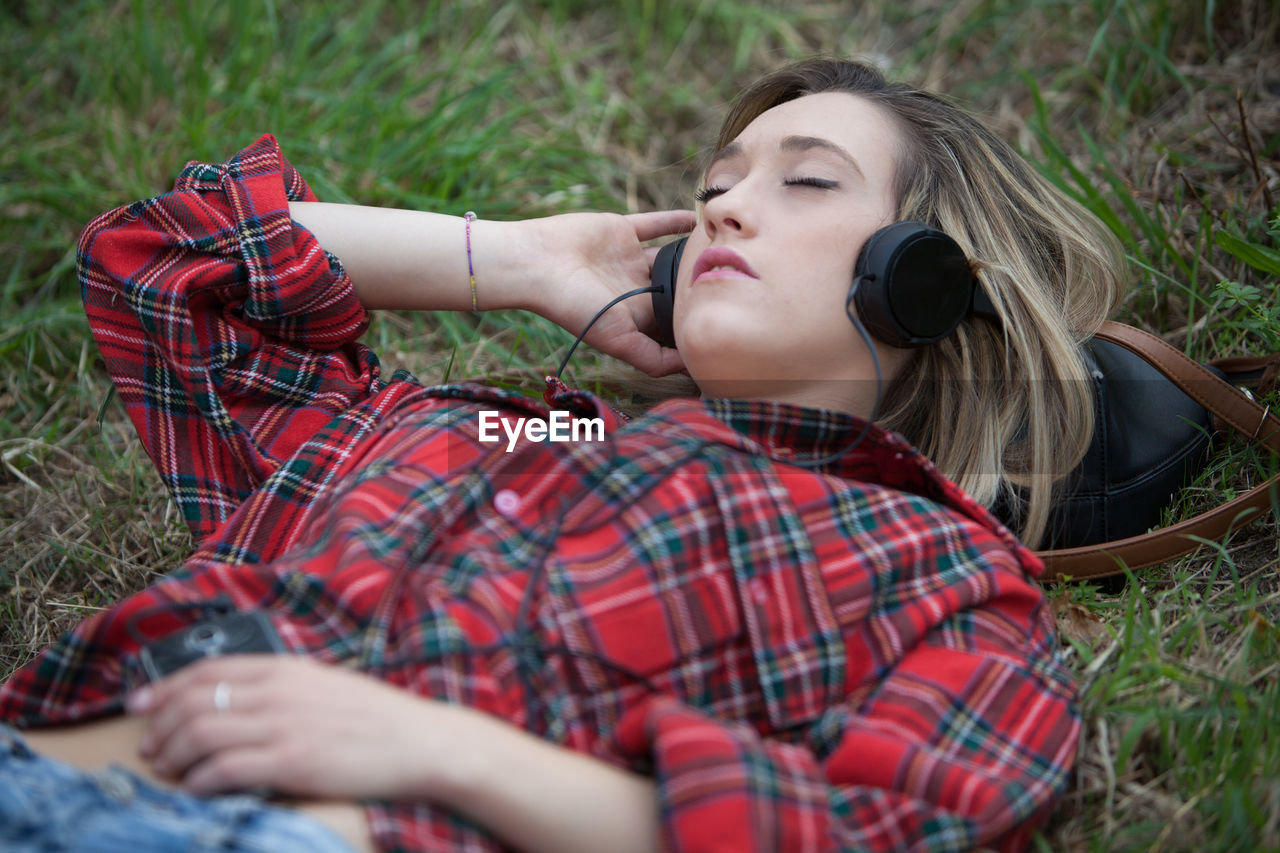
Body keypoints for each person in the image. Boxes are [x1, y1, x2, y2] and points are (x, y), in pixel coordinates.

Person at [0, 57, 1123, 852]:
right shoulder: (499, 427)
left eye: (805, 180)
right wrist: (513, 260)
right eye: (717, 184)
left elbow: (898, 828)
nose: (722, 209)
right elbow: (161, 260)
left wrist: (439, 750)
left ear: (922, 274)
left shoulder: (939, 573)